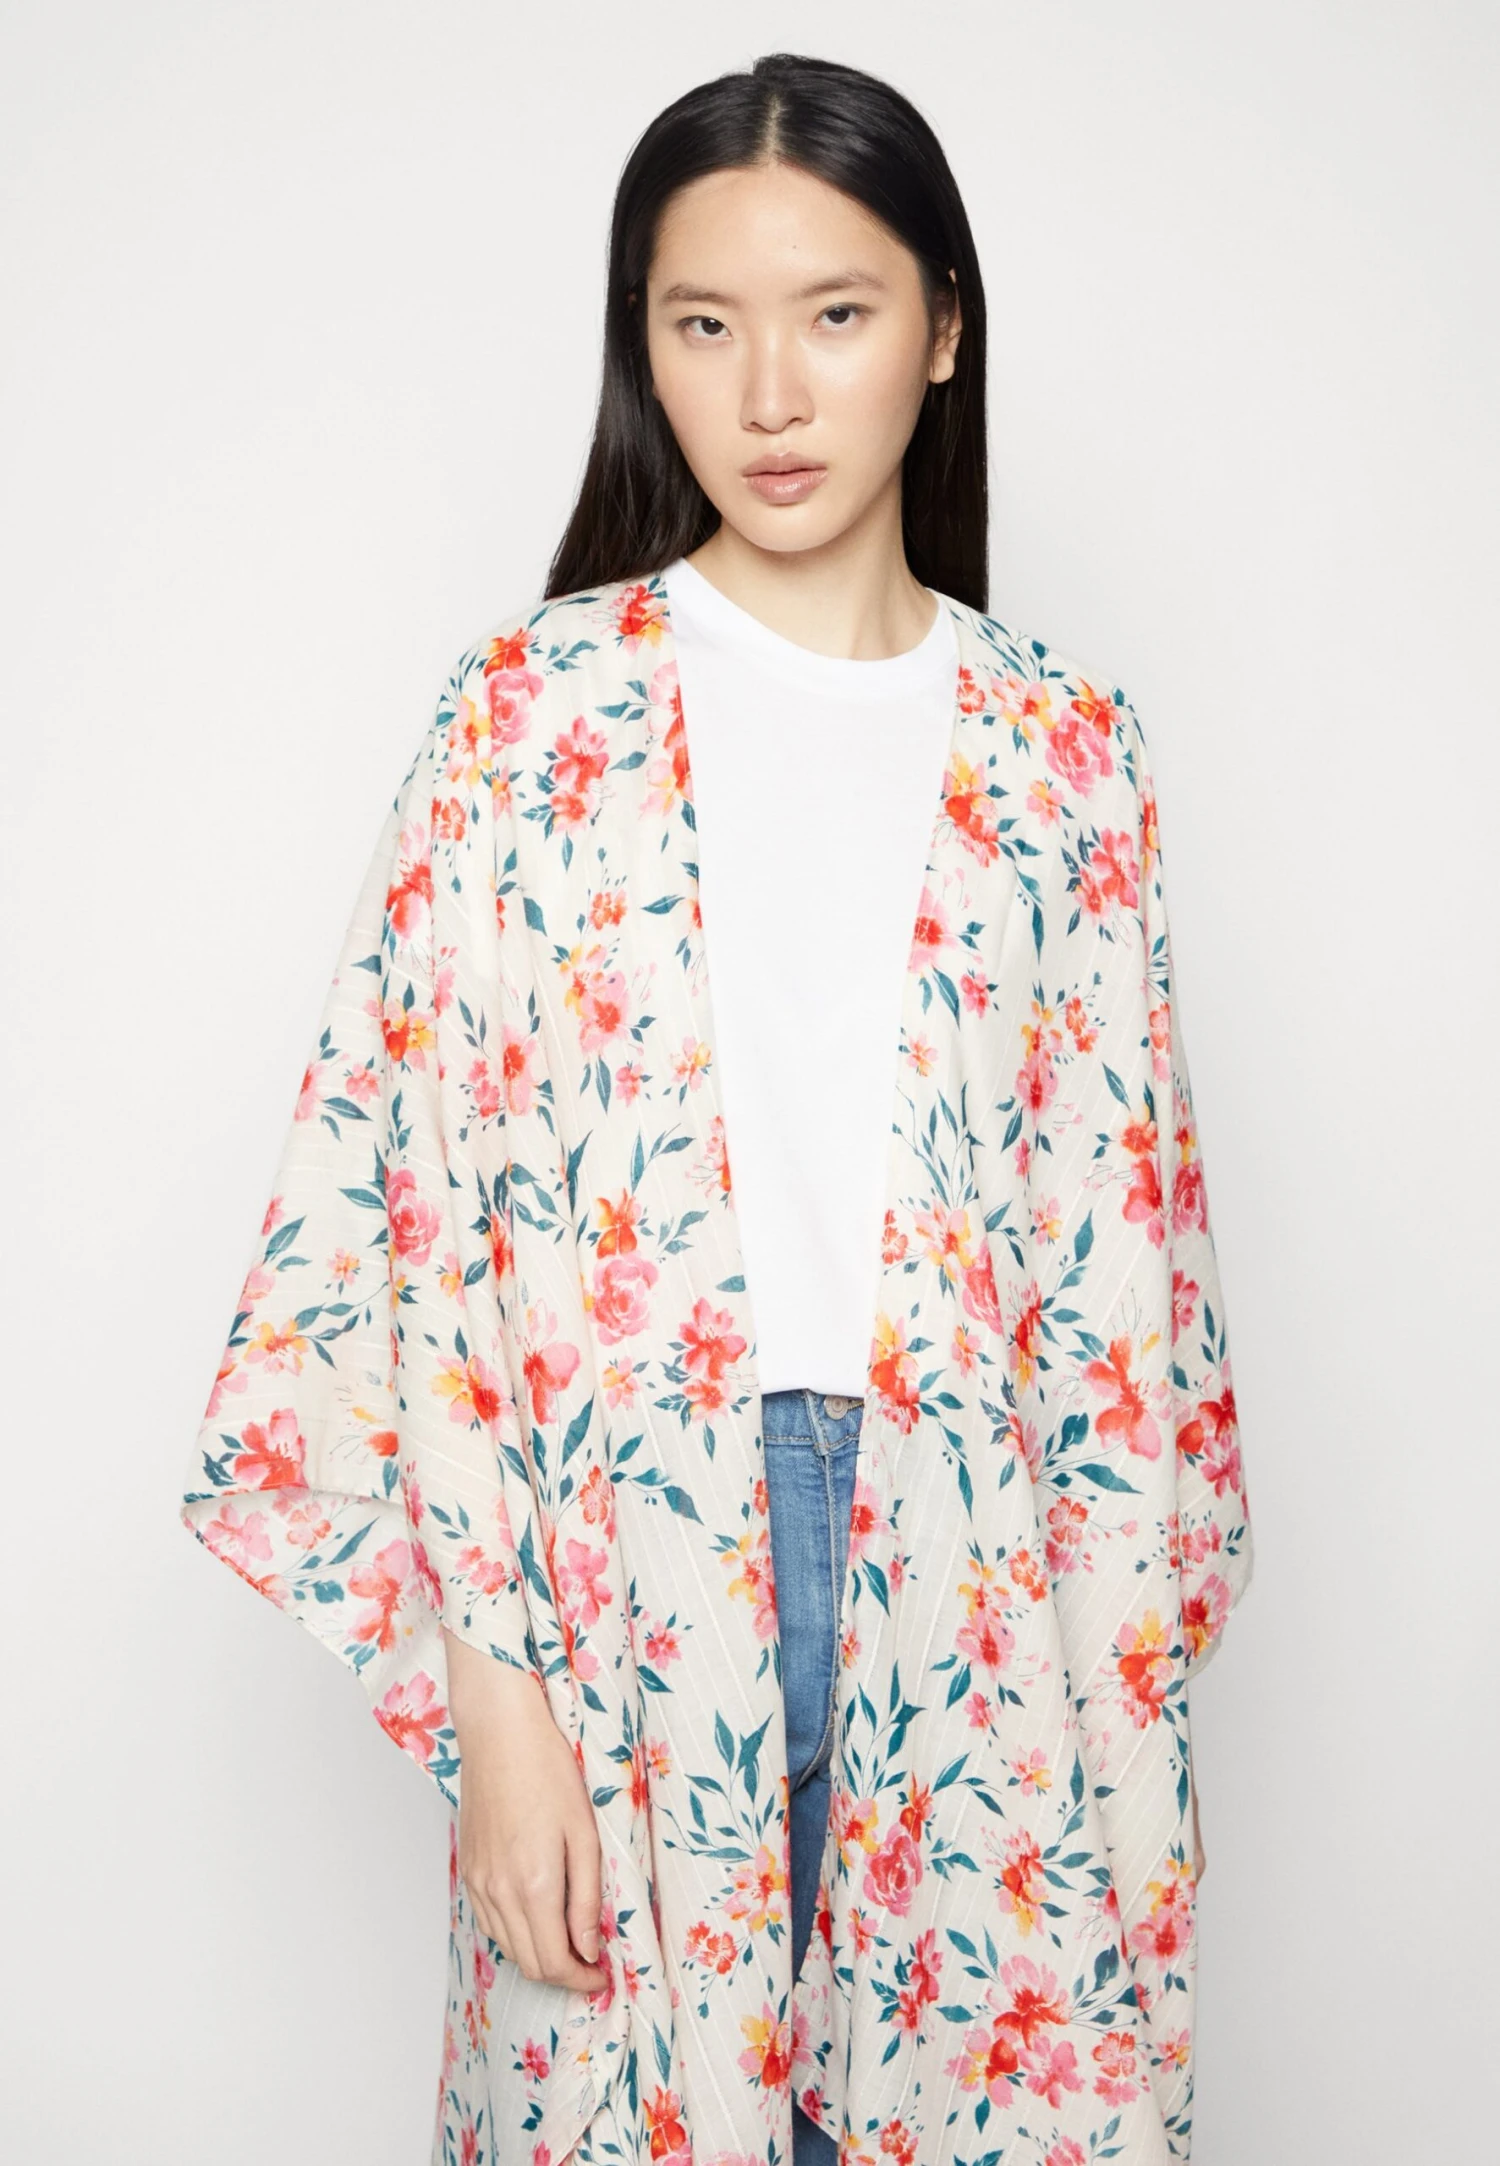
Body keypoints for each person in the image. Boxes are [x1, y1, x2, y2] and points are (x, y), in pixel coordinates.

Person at [182, 51, 1253, 2166]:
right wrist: (498, 1705)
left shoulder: (1066, 751)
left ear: (942, 332)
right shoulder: (528, 722)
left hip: (981, 1575)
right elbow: (414, 1227)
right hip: (624, 1575)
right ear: (644, 347)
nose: (770, 393)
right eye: (702, 324)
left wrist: (1123, 1731)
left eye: (836, 314)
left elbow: (1125, 1281)